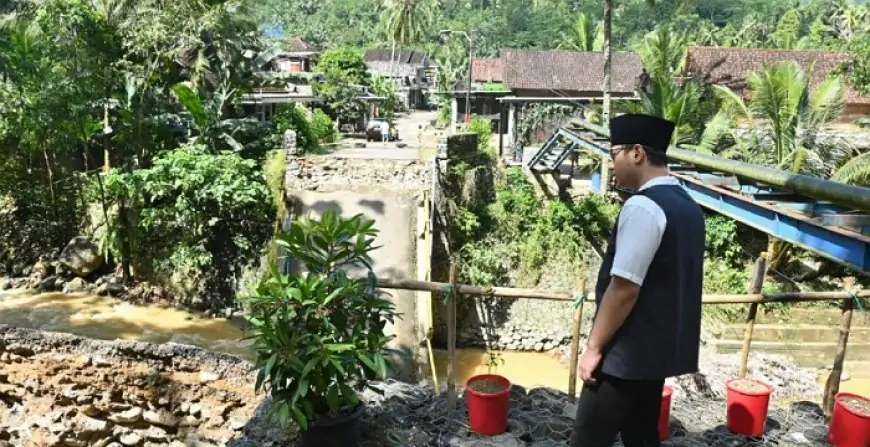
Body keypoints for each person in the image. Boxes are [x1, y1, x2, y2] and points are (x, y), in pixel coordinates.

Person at [570, 113, 706, 447]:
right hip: (655, 356)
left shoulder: (644, 207)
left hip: (623, 360)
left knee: (588, 441)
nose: (612, 164)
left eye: (614, 154)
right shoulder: (689, 207)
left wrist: (593, 348)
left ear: (636, 153)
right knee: (641, 436)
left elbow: (624, 288)